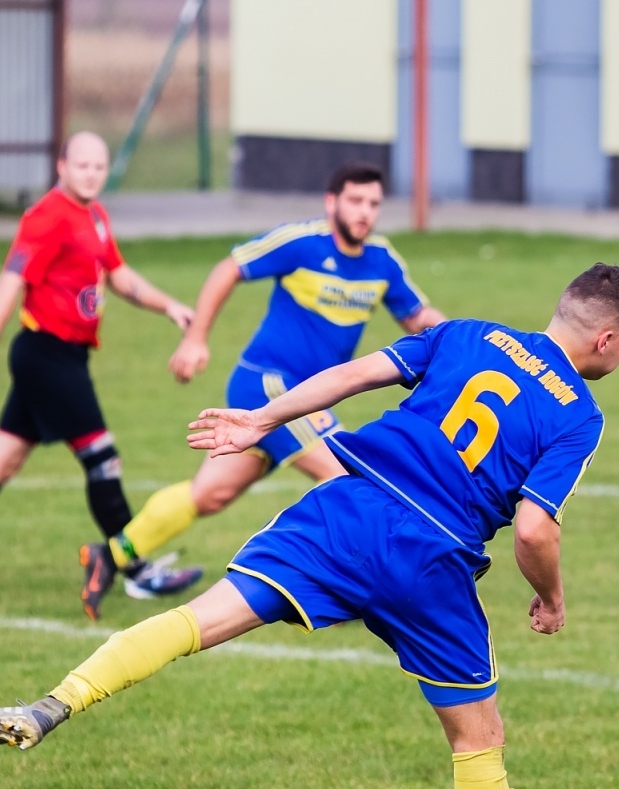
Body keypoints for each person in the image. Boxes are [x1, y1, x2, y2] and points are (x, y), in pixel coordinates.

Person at [0, 263, 619, 789]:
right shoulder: (578, 415)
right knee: (478, 740)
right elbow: (535, 530)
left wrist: (263, 418)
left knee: (199, 620)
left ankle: (53, 704)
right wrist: (552, 597)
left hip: (344, 512)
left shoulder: (465, 334)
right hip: (430, 562)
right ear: (604, 339)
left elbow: (352, 375)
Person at [82, 161, 445, 620]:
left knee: (208, 494)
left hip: (310, 396)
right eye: (355, 201)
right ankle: (369, 592)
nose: (365, 212)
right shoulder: (301, 242)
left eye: (373, 203)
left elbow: (418, 318)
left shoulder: (382, 261)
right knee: (347, 475)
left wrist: (469, 339)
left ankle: (110, 555)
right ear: (332, 202)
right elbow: (227, 268)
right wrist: (195, 338)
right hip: (269, 386)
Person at [0, 131, 204, 611]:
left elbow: (120, 276)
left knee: (2, 460)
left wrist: (169, 306)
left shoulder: (93, 215)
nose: (91, 173)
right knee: (102, 458)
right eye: (82, 165)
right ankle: (135, 569)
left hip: (64, 358)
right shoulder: (47, 217)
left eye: (99, 165)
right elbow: (12, 281)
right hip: (45, 355)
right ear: (62, 167)